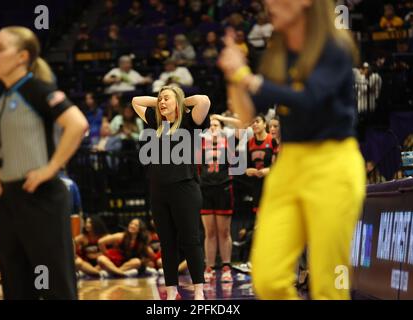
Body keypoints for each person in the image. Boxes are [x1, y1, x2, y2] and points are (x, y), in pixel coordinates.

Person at [218, 0, 366, 300]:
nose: (268, 3)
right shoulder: (278, 53)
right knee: (268, 279)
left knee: (329, 286)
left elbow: (311, 99)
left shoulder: (334, 47)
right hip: (289, 166)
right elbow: (247, 116)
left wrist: (248, 78)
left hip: (333, 164)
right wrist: (233, 76)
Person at [0, 26, 89, 299]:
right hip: (10, 200)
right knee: (16, 283)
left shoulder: (37, 90)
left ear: (22, 56)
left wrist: (50, 168)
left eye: (0, 49)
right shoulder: (2, 99)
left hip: (41, 197)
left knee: (56, 283)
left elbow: (77, 124)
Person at [132, 86, 210, 300]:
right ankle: (172, 290)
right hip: (158, 190)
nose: (161, 102)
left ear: (179, 102)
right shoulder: (156, 123)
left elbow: (203, 99)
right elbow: (136, 101)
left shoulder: (189, 121)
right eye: (159, 99)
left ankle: (198, 290)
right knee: (167, 242)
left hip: (185, 189)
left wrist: (181, 101)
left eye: (166, 99)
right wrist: (161, 101)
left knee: (191, 240)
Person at [200, 115, 234, 283]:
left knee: (224, 231)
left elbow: (243, 124)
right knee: (210, 232)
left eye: (216, 125)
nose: (213, 127)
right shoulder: (201, 142)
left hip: (224, 187)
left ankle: (226, 266)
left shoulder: (228, 140)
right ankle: (210, 267)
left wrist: (221, 117)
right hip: (205, 189)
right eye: (211, 125)